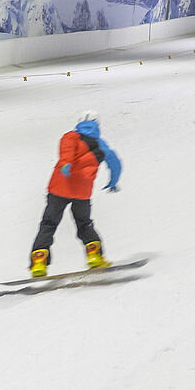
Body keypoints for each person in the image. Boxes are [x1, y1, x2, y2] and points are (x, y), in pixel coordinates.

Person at [29, 112, 122, 277]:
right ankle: (94, 255)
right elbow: (115, 162)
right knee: (84, 223)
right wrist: (113, 181)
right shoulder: (101, 145)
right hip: (82, 193)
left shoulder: (71, 136)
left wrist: (65, 163)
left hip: (59, 188)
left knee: (48, 224)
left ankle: (39, 262)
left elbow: (66, 150)